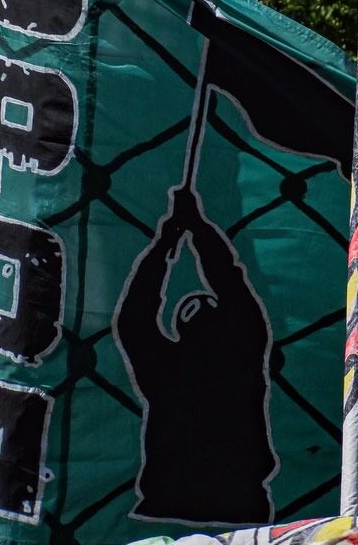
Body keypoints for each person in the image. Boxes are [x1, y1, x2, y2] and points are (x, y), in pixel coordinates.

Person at [115, 183, 276, 522]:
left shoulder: (170, 370)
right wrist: (192, 231)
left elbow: (137, 316)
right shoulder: (237, 362)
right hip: (226, 496)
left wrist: (170, 243)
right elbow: (231, 286)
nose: (203, 304)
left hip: (181, 495)